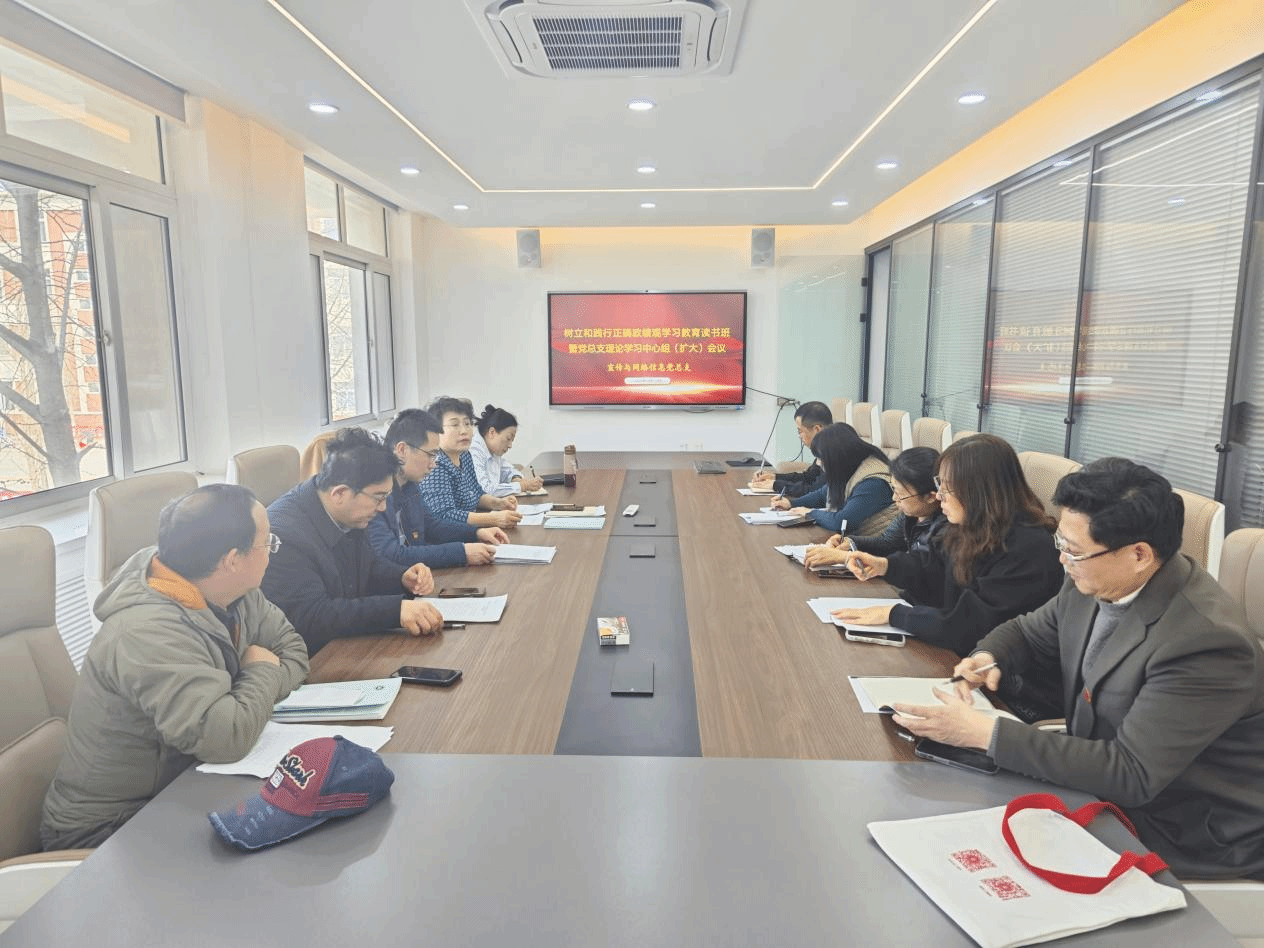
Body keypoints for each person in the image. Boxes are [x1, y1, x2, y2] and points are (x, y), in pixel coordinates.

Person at [891, 458, 1264, 880]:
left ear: (1139, 554)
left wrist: (984, 733)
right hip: (1103, 784)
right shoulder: (1093, 577)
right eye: (1061, 543)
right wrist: (988, 657)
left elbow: (1132, 774)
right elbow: (1027, 631)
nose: (1062, 560)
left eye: (1073, 550)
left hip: (1183, 827)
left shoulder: (1205, 642)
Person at [41, 484, 309, 850]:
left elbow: (294, 652)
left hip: (188, 787)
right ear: (232, 560)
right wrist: (260, 671)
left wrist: (244, 703)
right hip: (110, 830)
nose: (272, 551)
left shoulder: (234, 590)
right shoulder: (146, 633)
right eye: (267, 543)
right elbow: (225, 739)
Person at [830, 435, 1062, 663]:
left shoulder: (1028, 549)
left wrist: (892, 614)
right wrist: (884, 566)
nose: (939, 495)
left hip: (996, 674)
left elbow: (970, 626)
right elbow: (931, 567)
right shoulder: (970, 526)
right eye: (940, 483)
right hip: (955, 655)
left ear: (979, 491)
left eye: (948, 488)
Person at [263, 427, 443, 655]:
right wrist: (395, 611)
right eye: (378, 498)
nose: (383, 508)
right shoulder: (285, 536)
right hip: (311, 659)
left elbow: (367, 566)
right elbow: (313, 616)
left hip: (345, 645)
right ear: (339, 493)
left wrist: (401, 577)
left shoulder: (347, 511)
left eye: (386, 497)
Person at [368, 408, 509, 569]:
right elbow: (391, 555)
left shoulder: (409, 484)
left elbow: (431, 526)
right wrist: (461, 553)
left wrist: (476, 533)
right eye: (430, 454)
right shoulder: (376, 493)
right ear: (402, 450)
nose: (433, 464)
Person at [805, 446, 945, 567]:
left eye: (900, 494)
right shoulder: (911, 515)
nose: (894, 498)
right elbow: (886, 543)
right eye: (894, 490)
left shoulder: (944, 530)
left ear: (931, 497)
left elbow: (920, 570)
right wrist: (850, 542)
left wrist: (847, 557)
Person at [770, 422, 896, 535]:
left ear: (838, 457)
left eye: (822, 458)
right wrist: (791, 504)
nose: (819, 463)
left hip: (871, 548)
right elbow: (823, 493)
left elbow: (842, 522)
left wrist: (810, 513)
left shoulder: (873, 483)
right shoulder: (851, 466)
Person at [420, 396, 523, 529]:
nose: (464, 431)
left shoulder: (465, 456)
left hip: (466, 532)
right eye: (455, 425)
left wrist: (499, 503)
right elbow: (444, 515)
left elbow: (476, 494)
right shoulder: (434, 464)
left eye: (467, 423)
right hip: (444, 538)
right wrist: (494, 519)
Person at [748, 400, 831, 499]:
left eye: (800, 431)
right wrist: (774, 477)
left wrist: (776, 485)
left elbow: (814, 491)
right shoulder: (823, 448)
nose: (799, 436)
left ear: (817, 429)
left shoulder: (834, 452)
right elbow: (808, 478)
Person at [469, 404, 544, 496]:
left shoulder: (492, 450)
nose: (510, 445)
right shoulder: (473, 452)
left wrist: (516, 479)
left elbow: (507, 471)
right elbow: (484, 489)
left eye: (512, 441)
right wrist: (522, 486)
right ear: (492, 432)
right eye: (508, 439)